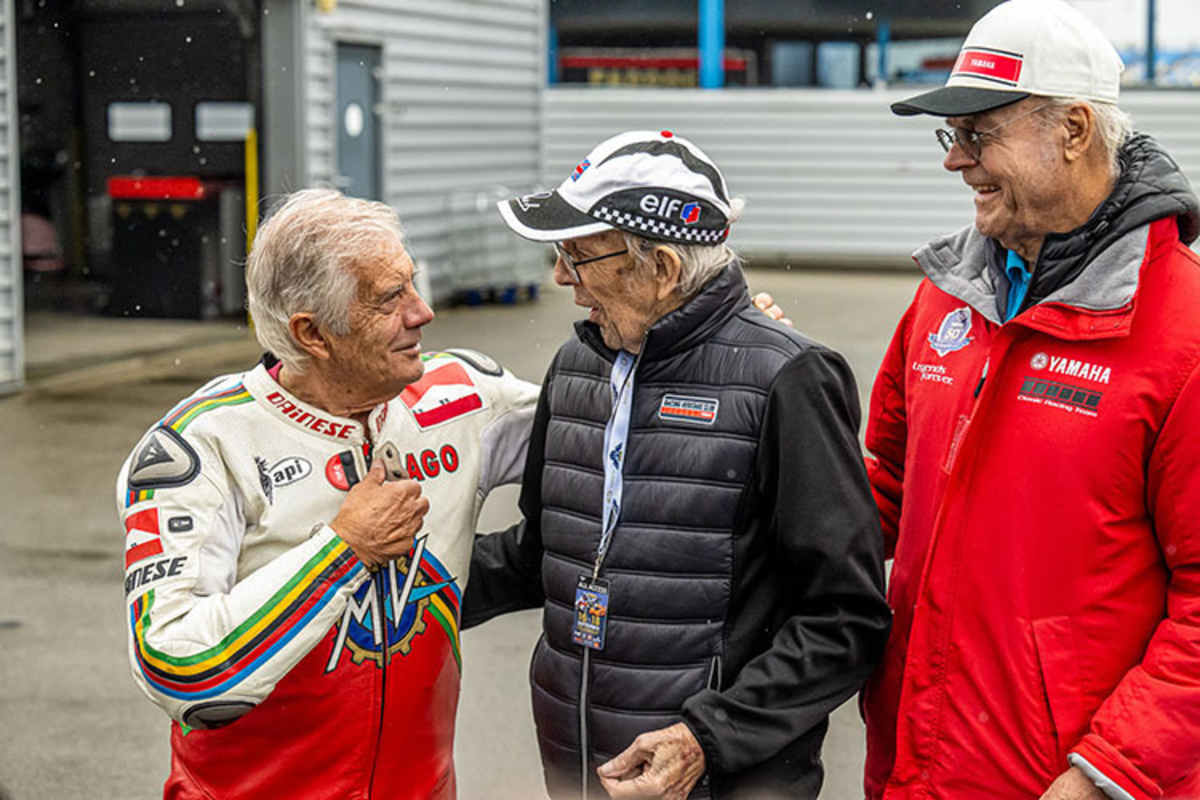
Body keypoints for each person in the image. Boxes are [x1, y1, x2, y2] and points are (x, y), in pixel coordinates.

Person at [463, 130, 891, 799]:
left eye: (577, 255)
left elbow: (844, 619)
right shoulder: (578, 367)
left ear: (660, 266)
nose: (559, 279)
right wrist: (394, 586)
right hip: (582, 770)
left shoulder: (788, 377)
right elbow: (540, 555)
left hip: (721, 780)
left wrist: (707, 736)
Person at [863, 1, 1200, 798]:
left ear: (1074, 130)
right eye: (953, 138)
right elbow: (878, 487)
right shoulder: (945, 300)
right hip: (912, 763)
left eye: (979, 134)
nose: (958, 162)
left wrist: (1103, 775)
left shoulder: (1184, 333)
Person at [115, 188, 540, 798]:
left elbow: (610, 437)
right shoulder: (201, 445)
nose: (423, 313)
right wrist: (343, 549)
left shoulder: (463, 397)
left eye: (412, 285)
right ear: (312, 333)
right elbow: (178, 668)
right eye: (390, 299)